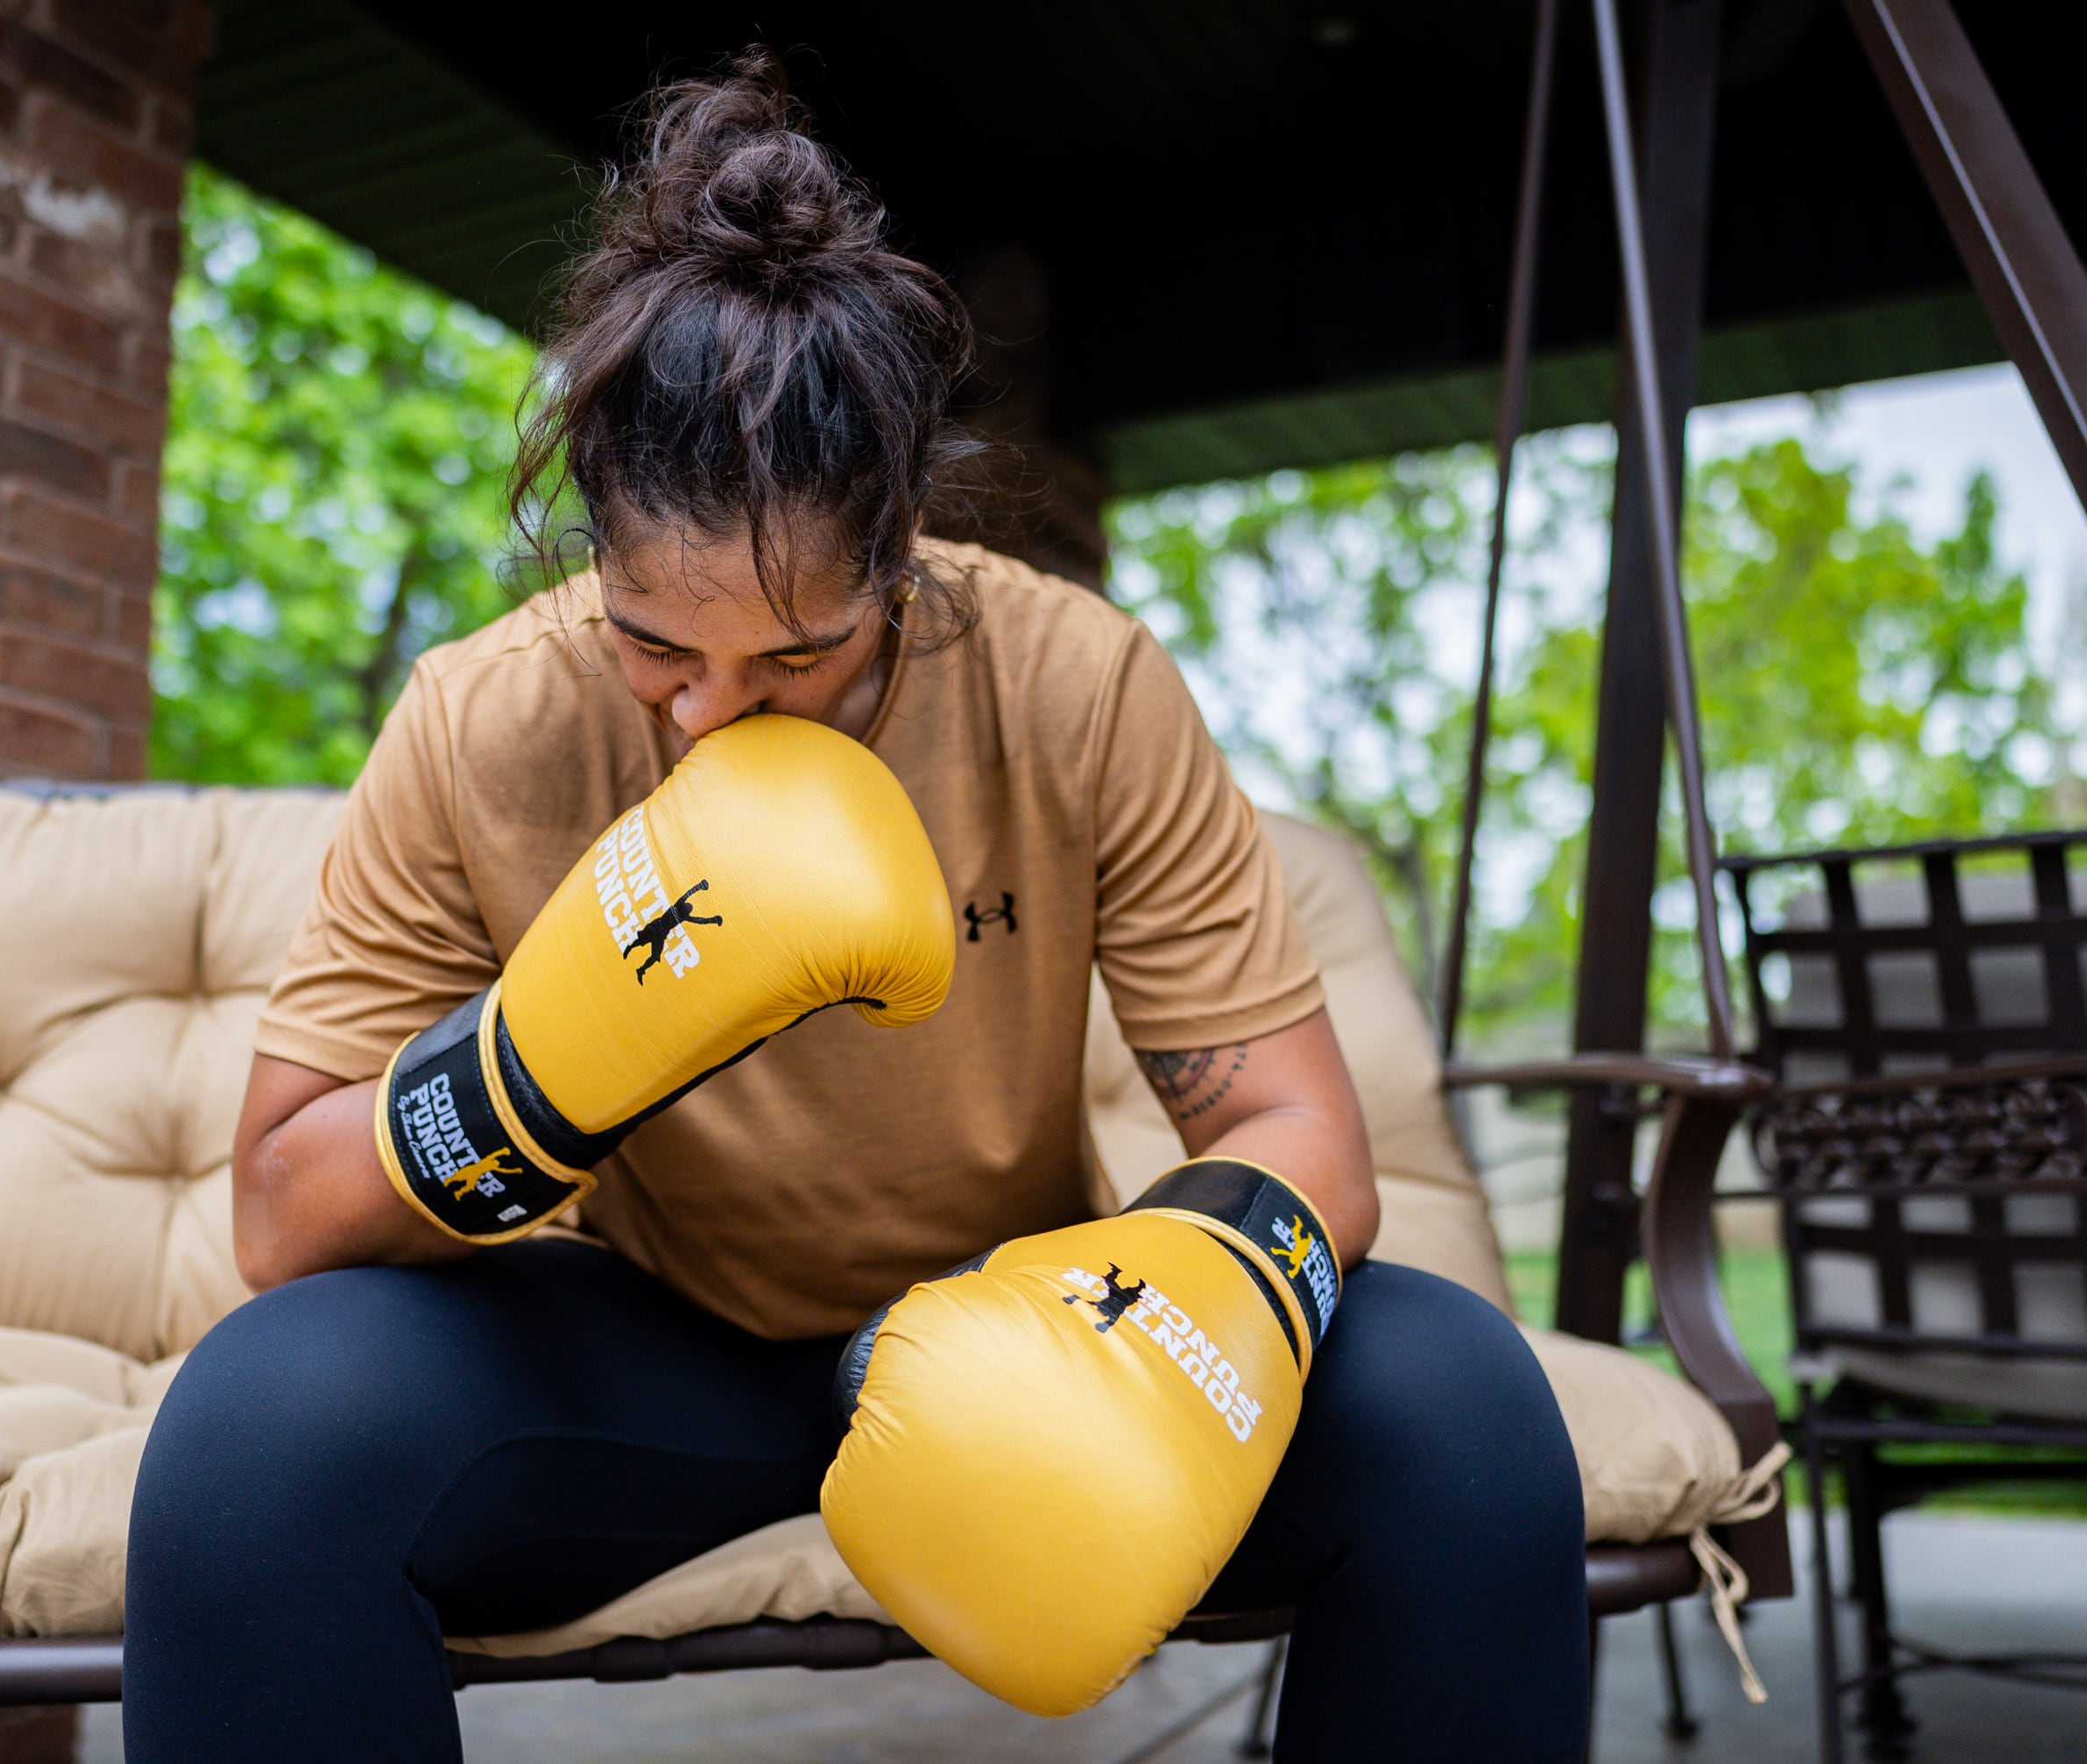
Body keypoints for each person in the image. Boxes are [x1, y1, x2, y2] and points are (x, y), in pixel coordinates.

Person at [123, 52, 1586, 1763]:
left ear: (900, 552)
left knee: (1466, 1414)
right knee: (252, 1442)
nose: (713, 715)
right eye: (655, 646)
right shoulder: (483, 719)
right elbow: (282, 1212)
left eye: (796, 654)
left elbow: (1298, 1124)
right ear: (593, 554)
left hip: (1025, 1312)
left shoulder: (1074, 680)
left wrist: (1167, 1296)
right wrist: (535, 1072)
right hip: (662, 1349)